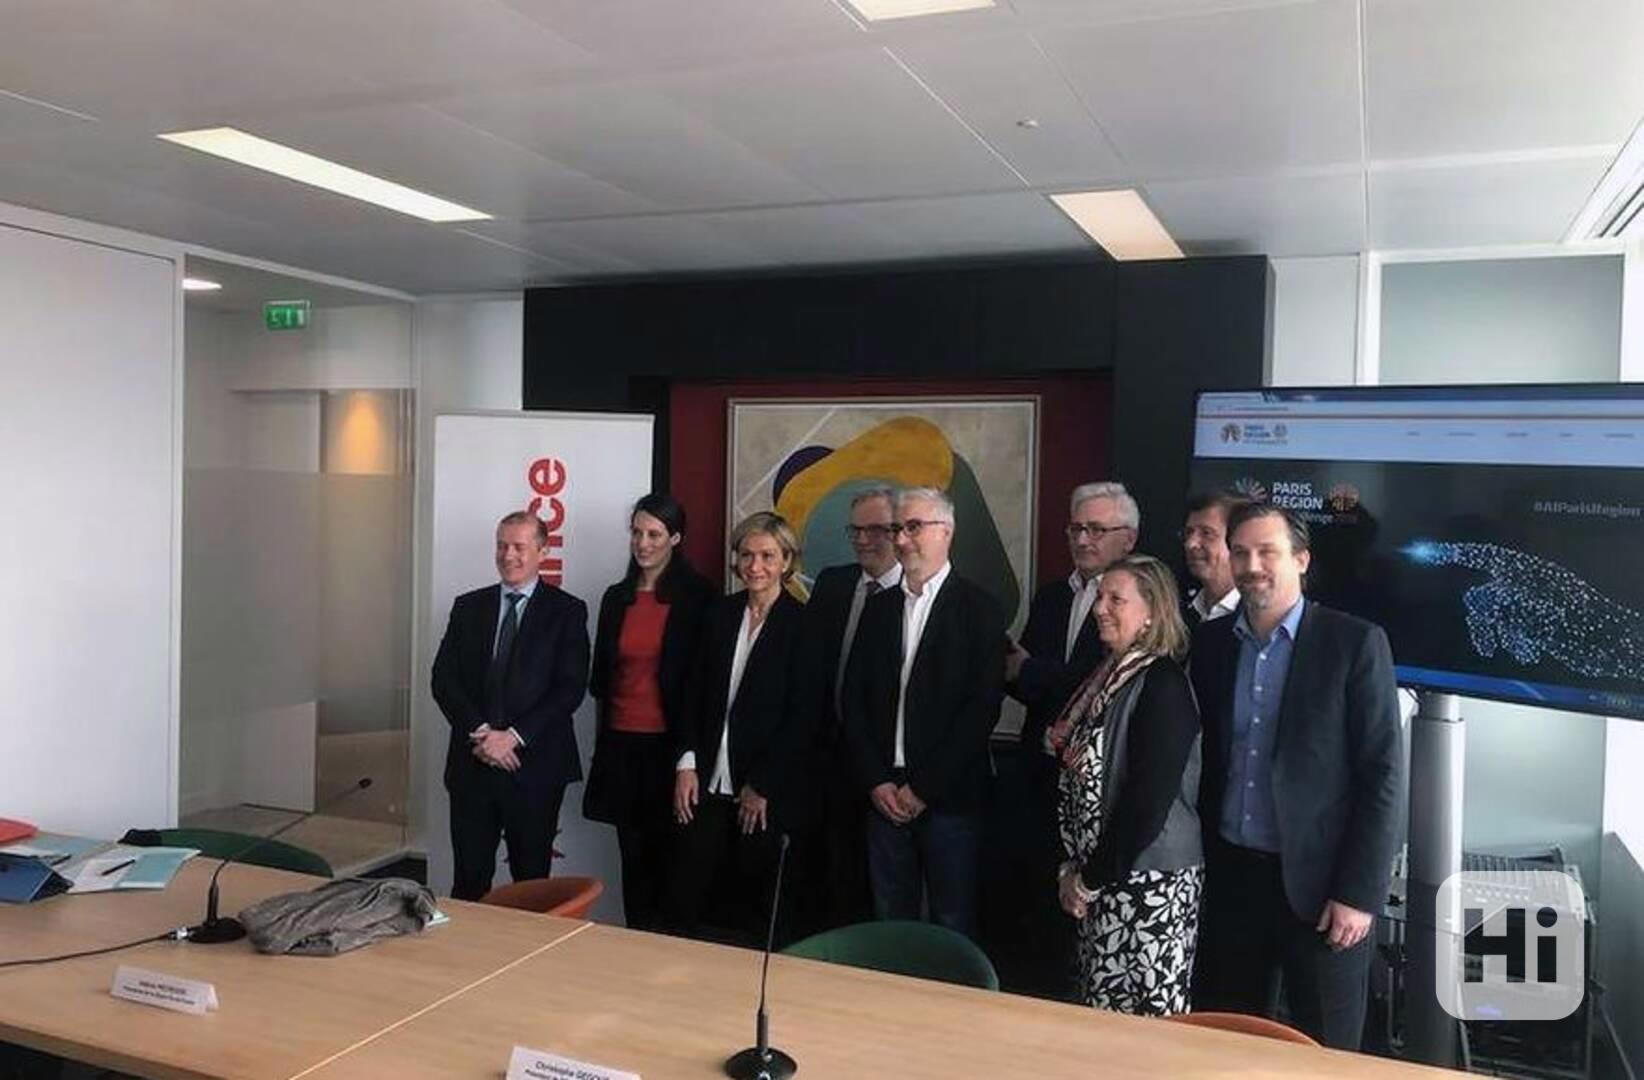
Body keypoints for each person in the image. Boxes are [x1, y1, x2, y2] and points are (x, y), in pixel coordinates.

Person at [1190, 503, 1405, 1049]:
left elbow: (1382, 776)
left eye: (1268, 552)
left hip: (1323, 889)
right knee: (1230, 1043)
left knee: (1328, 1051)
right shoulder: (1211, 645)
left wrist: (1359, 893)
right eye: (1240, 553)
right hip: (1233, 879)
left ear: (1302, 560)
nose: (1251, 566)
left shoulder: (1354, 643)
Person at [843, 487, 1006, 939]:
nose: (901, 539)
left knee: (951, 924)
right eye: (898, 528)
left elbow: (981, 710)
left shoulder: (979, 608)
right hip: (883, 795)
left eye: (913, 527)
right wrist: (876, 780)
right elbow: (853, 699)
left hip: (950, 799)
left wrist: (922, 789)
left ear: (946, 532)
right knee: (890, 924)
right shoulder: (879, 607)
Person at [1045, 555, 1203, 1015]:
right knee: (1101, 1016)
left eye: (1116, 599)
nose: (1100, 608)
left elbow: (1148, 803)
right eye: (1099, 597)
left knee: (1146, 1024)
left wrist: (1089, 880)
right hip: (1102, 880)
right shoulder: (1108, 675)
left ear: (1152, 610)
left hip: (1147, 885)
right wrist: (1075, 872)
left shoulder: (1163, 684)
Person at [1001, 480, 1138, 995]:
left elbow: (1103, 682)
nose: (1083, 539)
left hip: (1096, 791)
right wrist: (1040, 676)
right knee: (1036, 921)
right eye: (1076, 528)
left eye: (1096, 530)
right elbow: (1018, 679)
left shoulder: (1136, 603)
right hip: (1037, 779)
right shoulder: (1052, 597)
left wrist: (1037, 672)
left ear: (1129, 538)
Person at [665, 512, 819, 943]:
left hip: (767, 791)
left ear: (787, 561)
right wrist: (686, 765)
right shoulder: (718, 613)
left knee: (758, 910)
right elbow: (691, 694)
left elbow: (805, 715)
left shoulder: (805, 624)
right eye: (747, 555)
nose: (756, 566)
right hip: (705, 782)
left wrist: (763, 783)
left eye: (768, 556)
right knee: (690, 899)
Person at [432, 510, 591, 901]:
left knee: (531, 884)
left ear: (543, 551)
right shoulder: (468, 607)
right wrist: (484, 735)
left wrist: (514, 737)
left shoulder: (567, 611)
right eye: (502, 546)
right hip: (474, 764)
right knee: (469, 881)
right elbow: (443, 680)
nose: (508, 555)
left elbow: (569, 689)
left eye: (519, 547)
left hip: (534, 768)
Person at [583, 494, 715, 931]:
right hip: (622, 747)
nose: (643, 543)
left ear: (675, 539)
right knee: (633, 863)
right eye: (637, 533)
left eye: (654, 534)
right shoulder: (616, 597)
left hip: (672, 751)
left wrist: (689, 757)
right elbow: (601, 680)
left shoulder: (698, 597)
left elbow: (701, 685)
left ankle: (670, 956)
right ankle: (634, 949)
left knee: (675, 865)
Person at [805, 487, 903, 929]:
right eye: (856, 530)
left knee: (885, 889)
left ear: (899, 531)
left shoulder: (915, 594)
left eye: (876, 530)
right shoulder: (833, 583)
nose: (863, 540)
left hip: (888, 770)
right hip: (829, 758)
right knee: (832, 879)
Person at [1181, 491, 1245, 627]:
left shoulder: (1257, 618)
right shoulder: (1177, 609)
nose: (1190, 544)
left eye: (1206, 533)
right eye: (1188, 533)